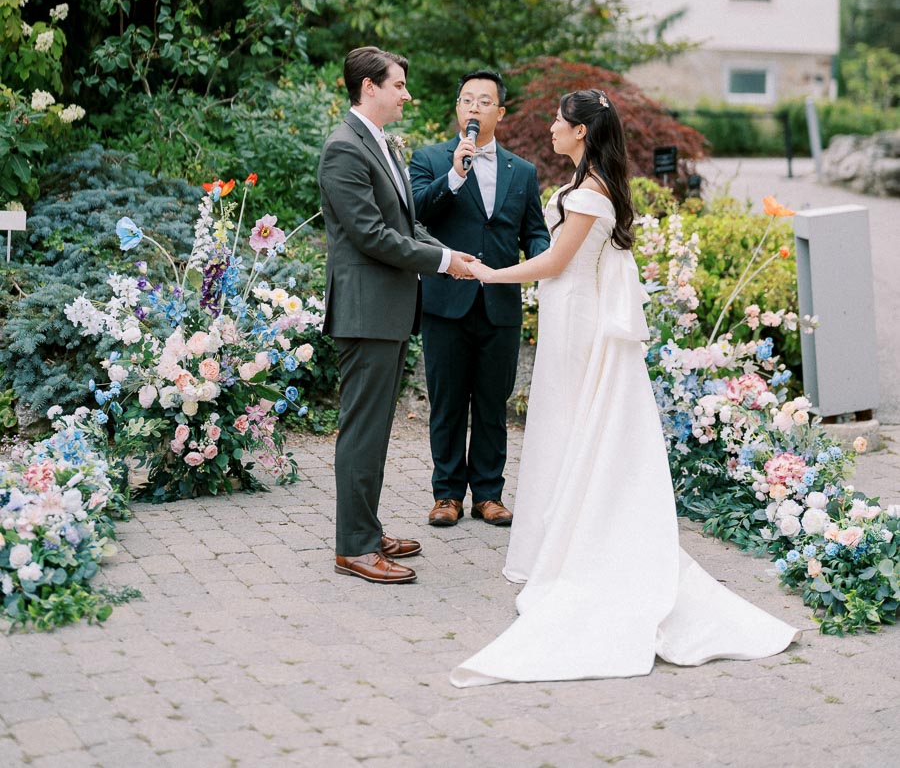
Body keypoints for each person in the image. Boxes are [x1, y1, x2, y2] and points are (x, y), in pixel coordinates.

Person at [451, 89, 796, 683]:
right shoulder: (590, 183)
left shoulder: (588, 192)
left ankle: (576, 546)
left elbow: (555, 263)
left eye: (560, 122)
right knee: (563, 425)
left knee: (571, 423)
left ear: (581, 131)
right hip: (569, 313)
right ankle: (560, 538)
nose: (553, 129)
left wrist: (488, 273)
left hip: (577, 317)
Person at [317, 46, 474, 585]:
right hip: (364, 311)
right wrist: (443, 259)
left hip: (387, 309)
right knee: (361, 432)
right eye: (399, 85)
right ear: (369, 88)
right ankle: (354, 548)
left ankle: (366, 527)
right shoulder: (344, 149)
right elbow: (371, 236)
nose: (407, 95)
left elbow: (404, 224)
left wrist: (451, 257)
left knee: (376, 429)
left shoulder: (380, 144)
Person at [409, 70, 550, 528]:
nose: (474, 108)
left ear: (500, 112)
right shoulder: (429, 159)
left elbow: (534, 234)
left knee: (493, 403)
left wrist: (548, 268)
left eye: (484, 101)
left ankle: (489, 494)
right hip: (445, 302)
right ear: (456, 108)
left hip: (500, 305)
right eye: (467, 99)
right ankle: (446, 494)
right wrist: (454, 174)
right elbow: (416, 214)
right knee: (447, 401)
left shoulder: (523, 171)